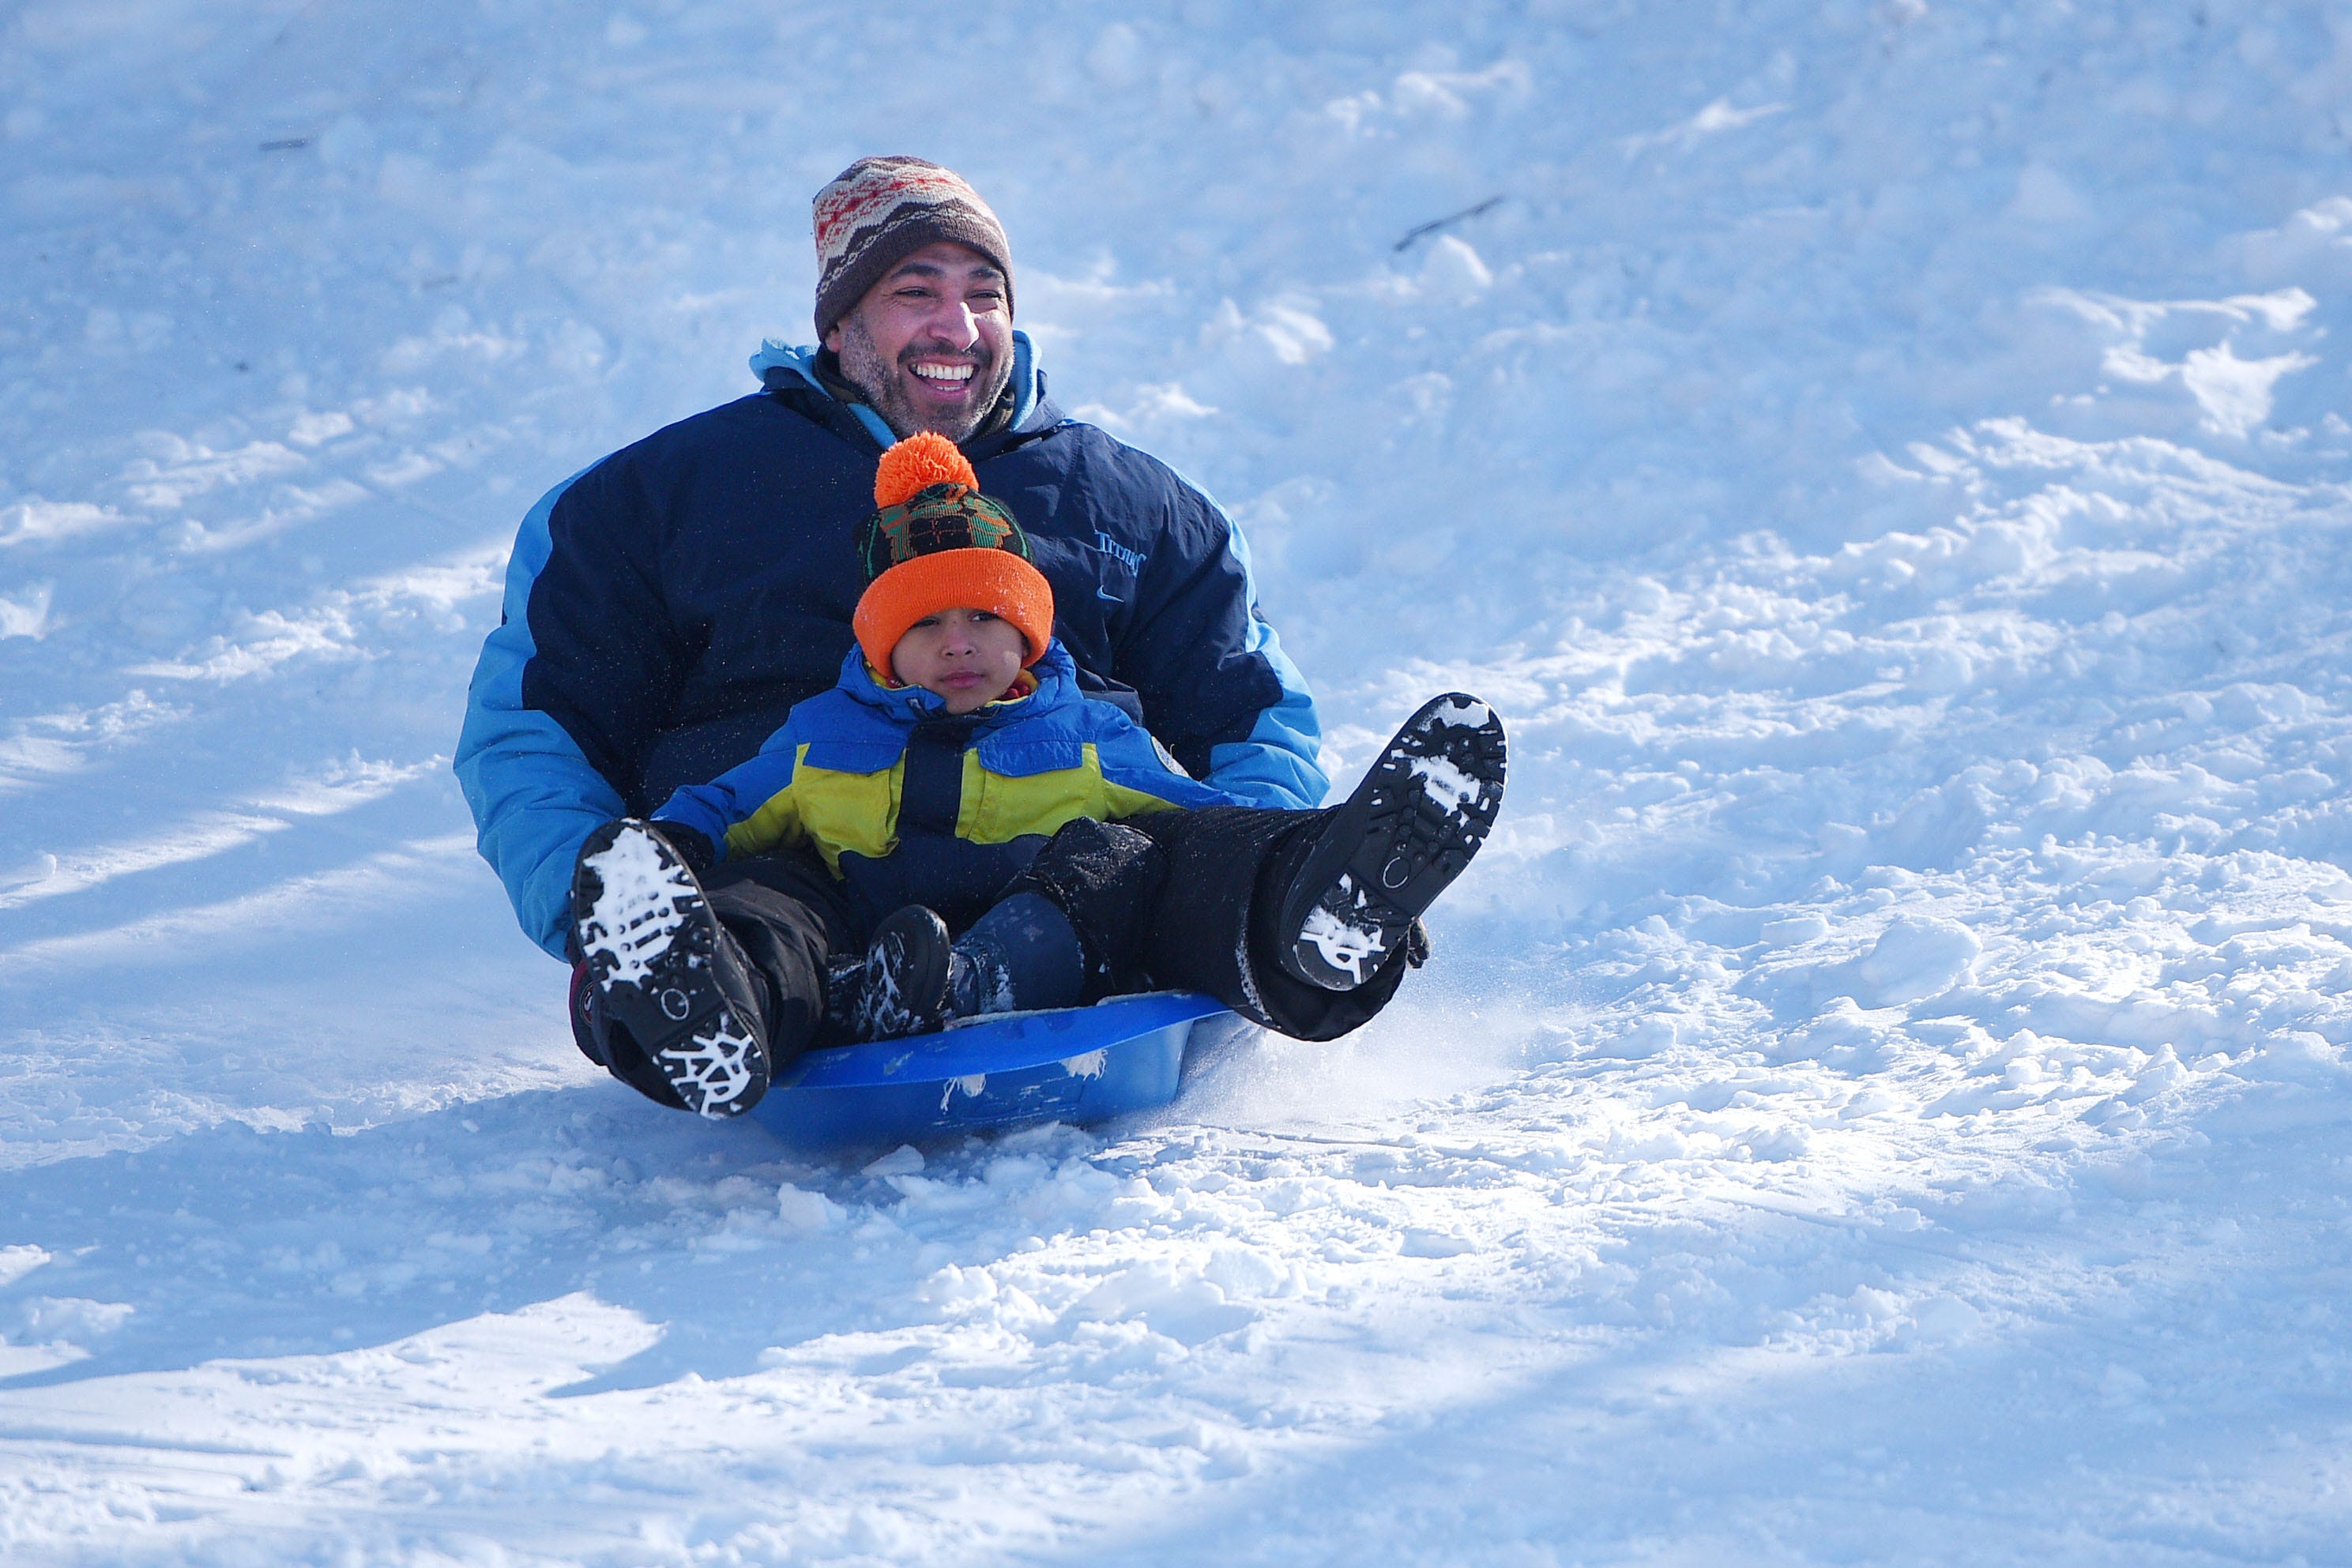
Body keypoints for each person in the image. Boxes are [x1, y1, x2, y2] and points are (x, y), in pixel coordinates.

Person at [454, 155, 1325, 1083]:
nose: (958, 326)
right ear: (839, 321)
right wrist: (595, 901)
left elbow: (1251, 715)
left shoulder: (1137, 507)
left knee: (1163, 864)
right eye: (916, 290)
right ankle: (690, 999)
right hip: (798, 902)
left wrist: (1253, 850)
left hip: (1081, 916)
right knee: (745, 917)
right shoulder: (654, 501)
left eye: (984, 293)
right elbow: (536, 732)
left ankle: (1313, 916)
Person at [566, 434, 1507, 1117]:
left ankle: (1313, 914)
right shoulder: (819, 737)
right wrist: (670, 849)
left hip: (1046, 951)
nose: (959, 641)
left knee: (1131, 857)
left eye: (984, 617)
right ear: (886, 647)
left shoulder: (1086, 731)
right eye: (927, 626)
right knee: (769, 891)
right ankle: (715, 1005)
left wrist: (1289, 863)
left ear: (1029, 631)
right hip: (860, 941)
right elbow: (727, 805)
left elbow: (1198, 817)